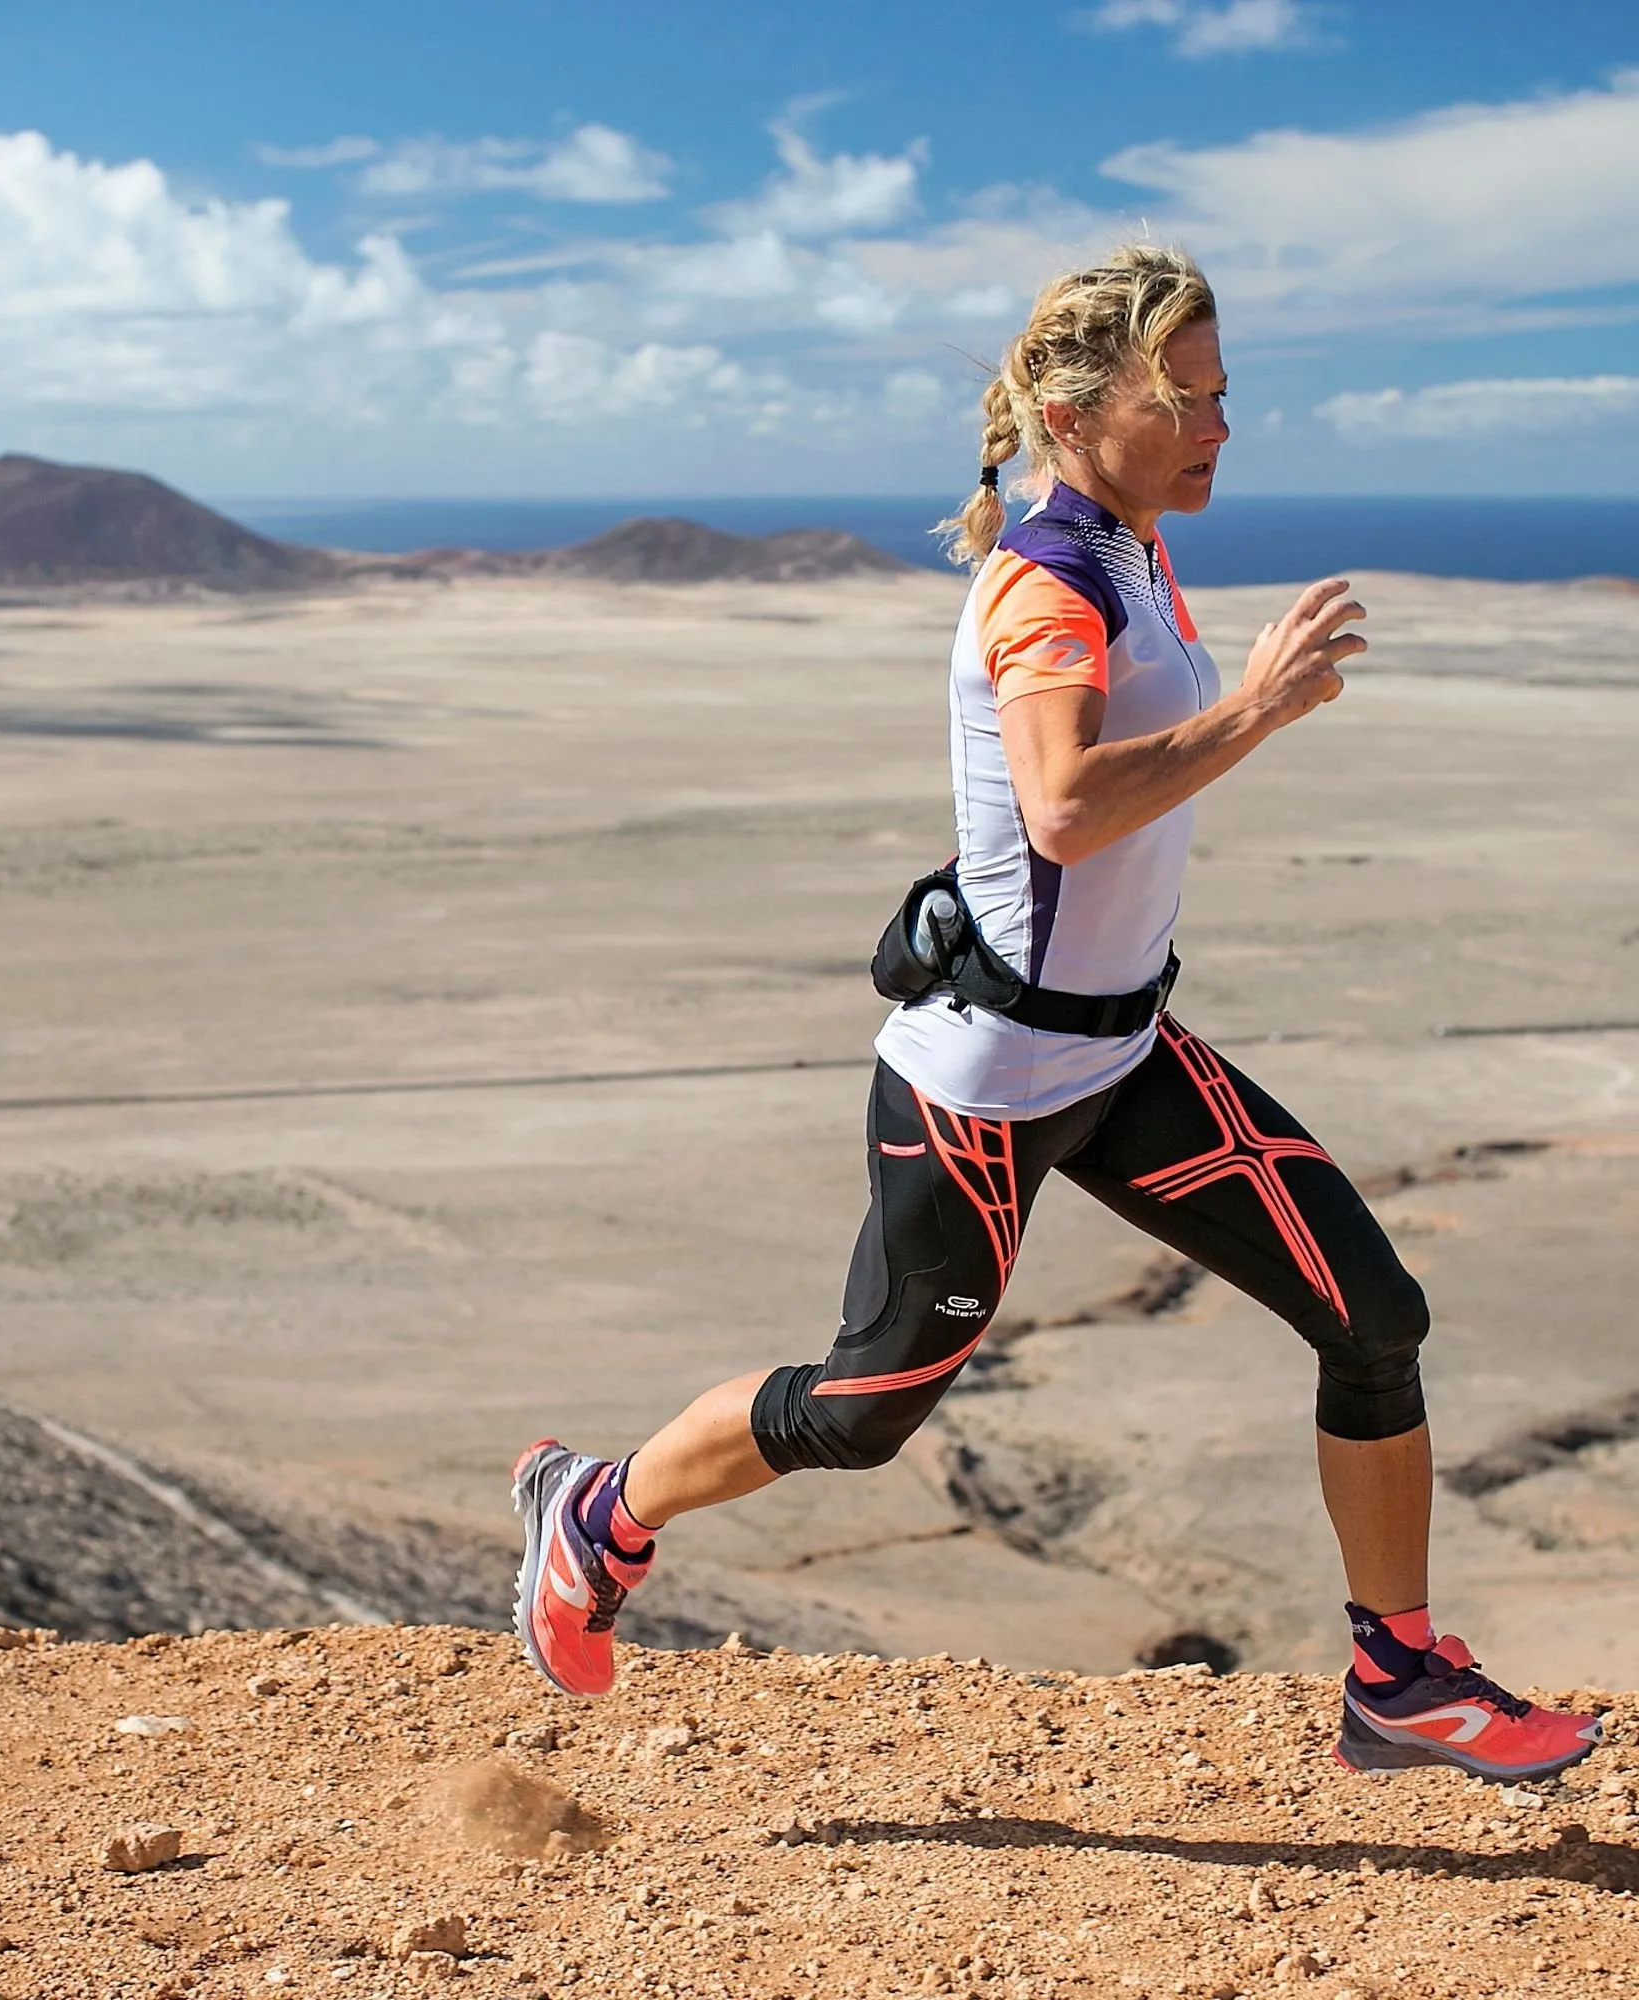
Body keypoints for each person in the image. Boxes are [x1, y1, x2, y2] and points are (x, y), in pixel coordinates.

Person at [511, 243, 1601, 1785]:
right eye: (1190, 397)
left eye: (1227, 395)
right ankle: (599, 1511)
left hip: (1125, 1051)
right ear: (1079, 409)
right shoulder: (1048, 583)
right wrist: (1261, 708)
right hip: (988, 1085)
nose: (1223, 426)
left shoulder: (1135, 548)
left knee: (1374, 1321)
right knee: (863, 1409)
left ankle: (1400, 1675)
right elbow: (1068, 807)